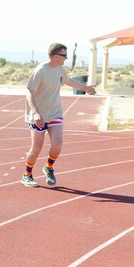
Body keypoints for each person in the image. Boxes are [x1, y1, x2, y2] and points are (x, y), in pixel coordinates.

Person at [22, 43, 96, 188]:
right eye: (64, 55)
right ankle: (27, 174)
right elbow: (29, 91)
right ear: (55, 56)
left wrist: (85, 88)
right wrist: (36, 113)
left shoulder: (60, 69)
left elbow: (68, 81)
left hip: (55, 113)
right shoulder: (41, 70)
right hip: (38, 116)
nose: (66, 58)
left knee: (57, 146)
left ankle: (48, 167)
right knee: (36, 148)